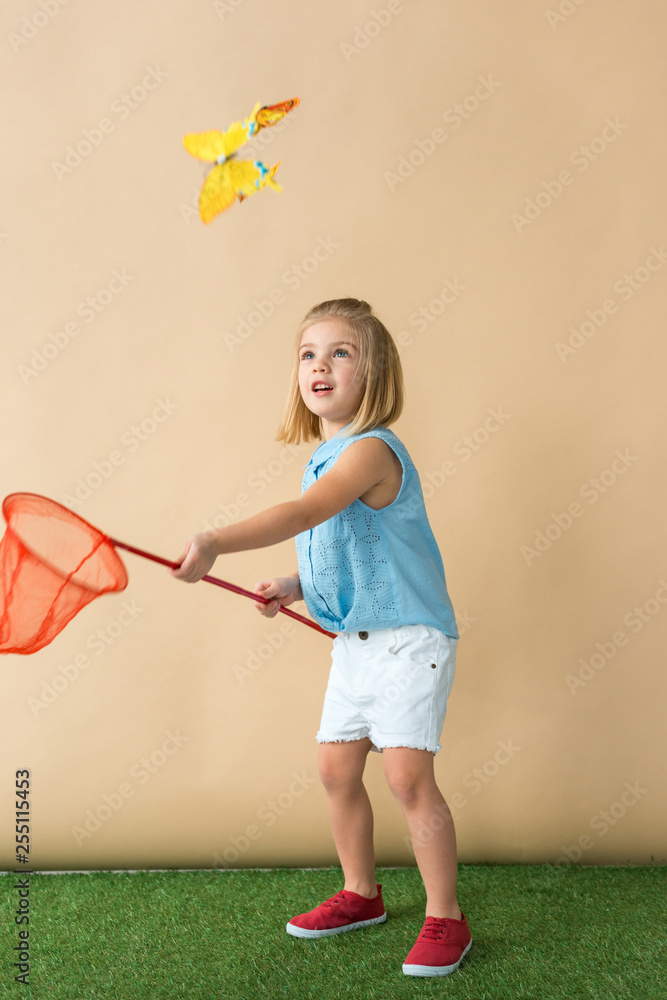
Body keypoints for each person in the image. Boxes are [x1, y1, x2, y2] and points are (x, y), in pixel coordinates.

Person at [171, 298, 472, 977]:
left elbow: (307, 513)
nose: (320, 365)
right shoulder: (326, 456)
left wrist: (216, 540)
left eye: (342, 352)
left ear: (375, 372)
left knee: (404, 775)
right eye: (309, 353)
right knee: (335, 770)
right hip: (356, 643)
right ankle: (361, 894)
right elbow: (343, 546)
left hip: (409, 640)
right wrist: (293, 583)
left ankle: (446, 917)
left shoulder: (369, 451)